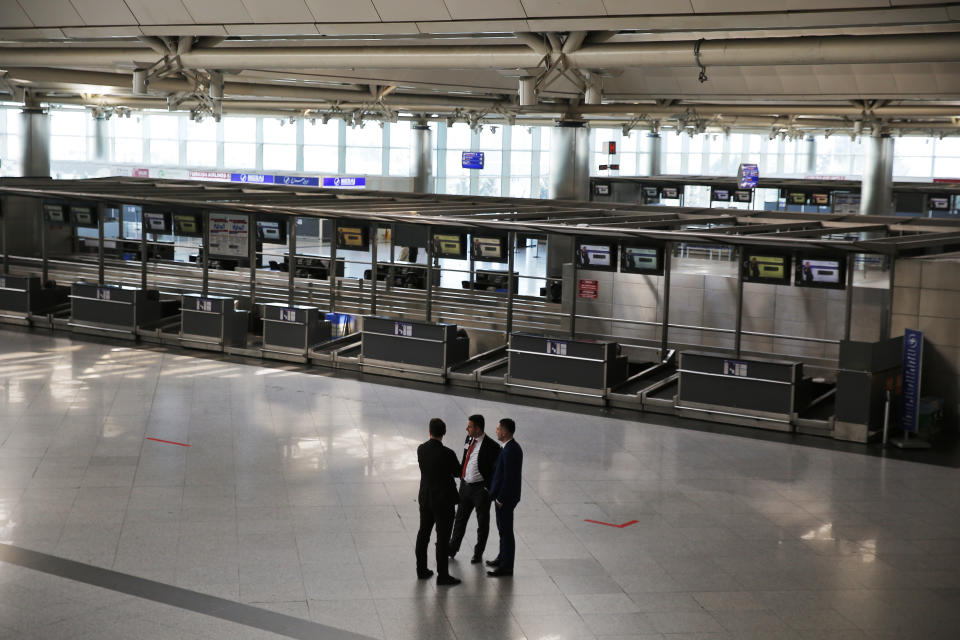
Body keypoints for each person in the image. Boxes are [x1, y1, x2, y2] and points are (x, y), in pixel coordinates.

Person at [415, 418, 462, 586]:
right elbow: (458, 472)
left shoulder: (421, 449)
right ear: (444, 433)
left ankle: (421, 570)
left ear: (429, 431)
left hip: (426, 498)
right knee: (442, 539)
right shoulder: (448, 453)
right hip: (443, 501)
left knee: (423, 534)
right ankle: (443, 575)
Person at [448, 414, 500, 564]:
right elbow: (466, 459)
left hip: (480, 490)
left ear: (478, 428)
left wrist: (486, 488)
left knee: (482, 523)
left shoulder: (492, 446)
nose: (466, 429)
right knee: (459, 519)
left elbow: (495, 471)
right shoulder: (468, 439)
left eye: (469, 426)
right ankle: (452, 547)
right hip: (465, 487)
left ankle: (478, 553)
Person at [487, 418, 523, 578]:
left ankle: (506, 566)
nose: (496, 431)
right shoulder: (508, 448)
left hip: (505, 499)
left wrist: (500, 498)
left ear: (505, 431)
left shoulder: (510, 450)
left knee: (506, 531)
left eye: (498, 428)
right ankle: (502, 558)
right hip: (503, 498)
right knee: (503, 530)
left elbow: (509, 477)